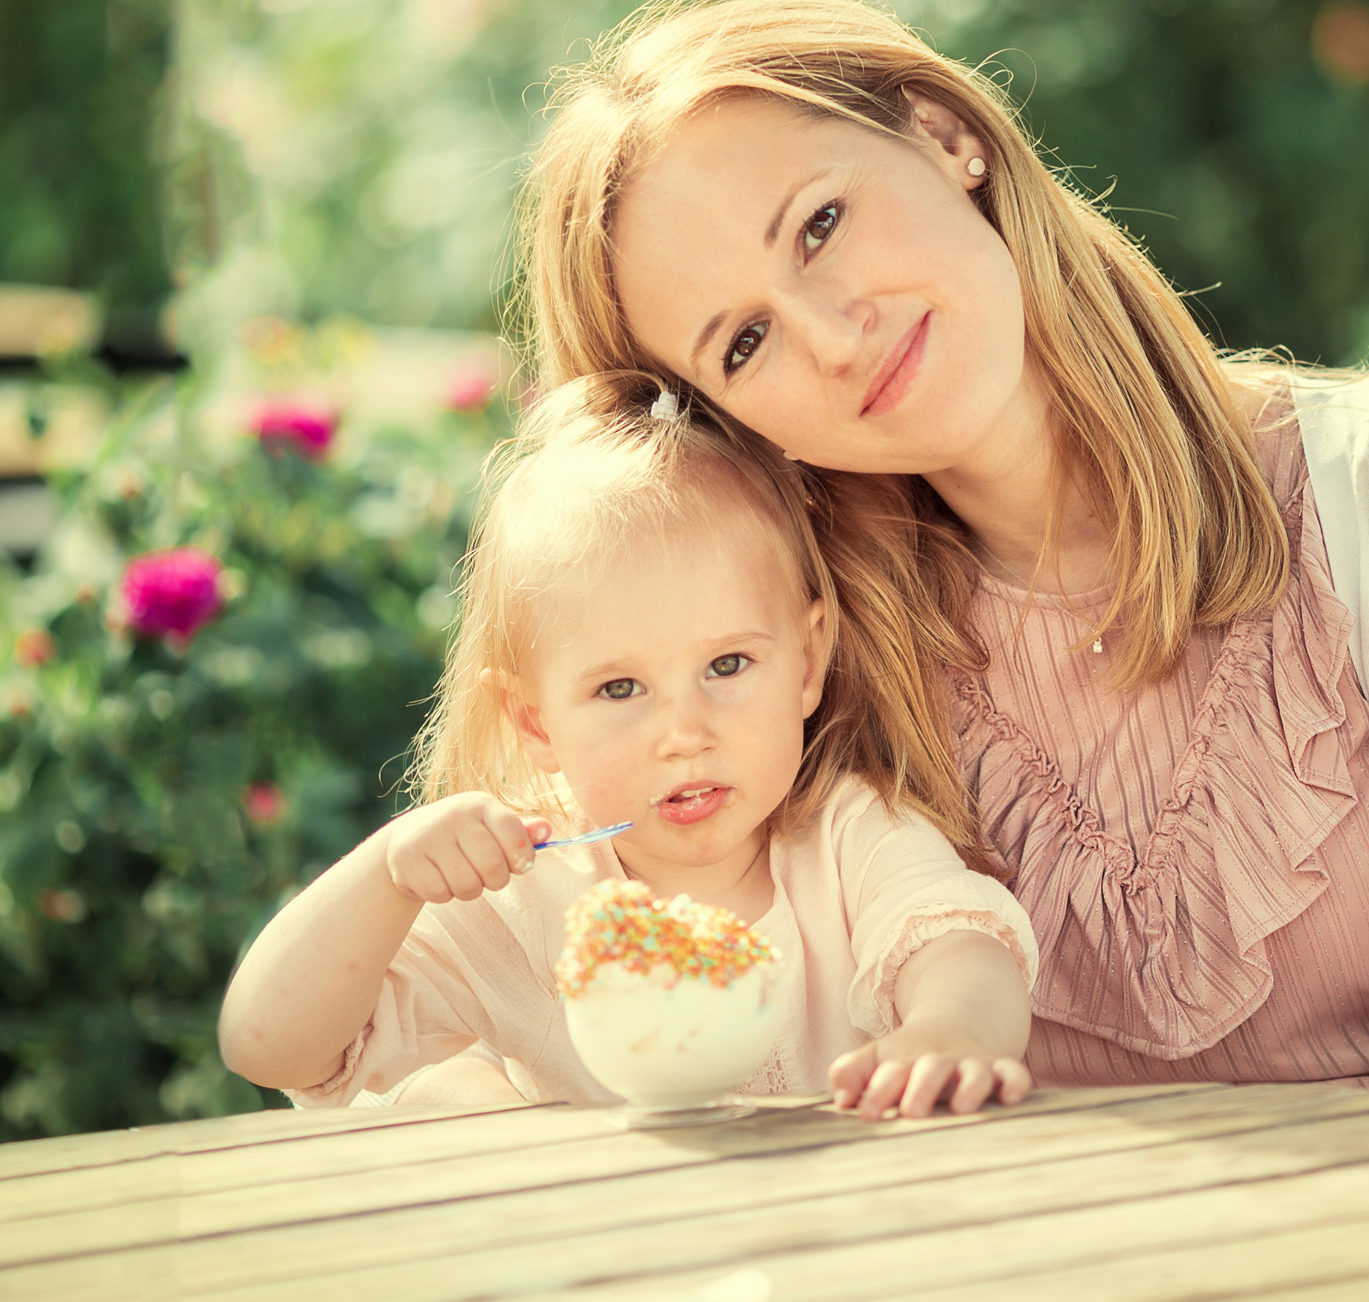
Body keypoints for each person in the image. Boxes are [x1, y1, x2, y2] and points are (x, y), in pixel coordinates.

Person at [517, 0, 1369, 1170]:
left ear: (946, 134)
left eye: (823, 224)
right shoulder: (790, 665)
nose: (832, 333)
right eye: (742, 342)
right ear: (732, 423)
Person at [218, 371, 1039, 1120]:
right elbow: (272, 1046)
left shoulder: (847, 839)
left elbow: (963, 947)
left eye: (728, 664)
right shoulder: (528, 903)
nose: (684, 734)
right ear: (536, 722)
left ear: (807, 662)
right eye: (620, 689)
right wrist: (389, 868)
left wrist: (951, 1028)